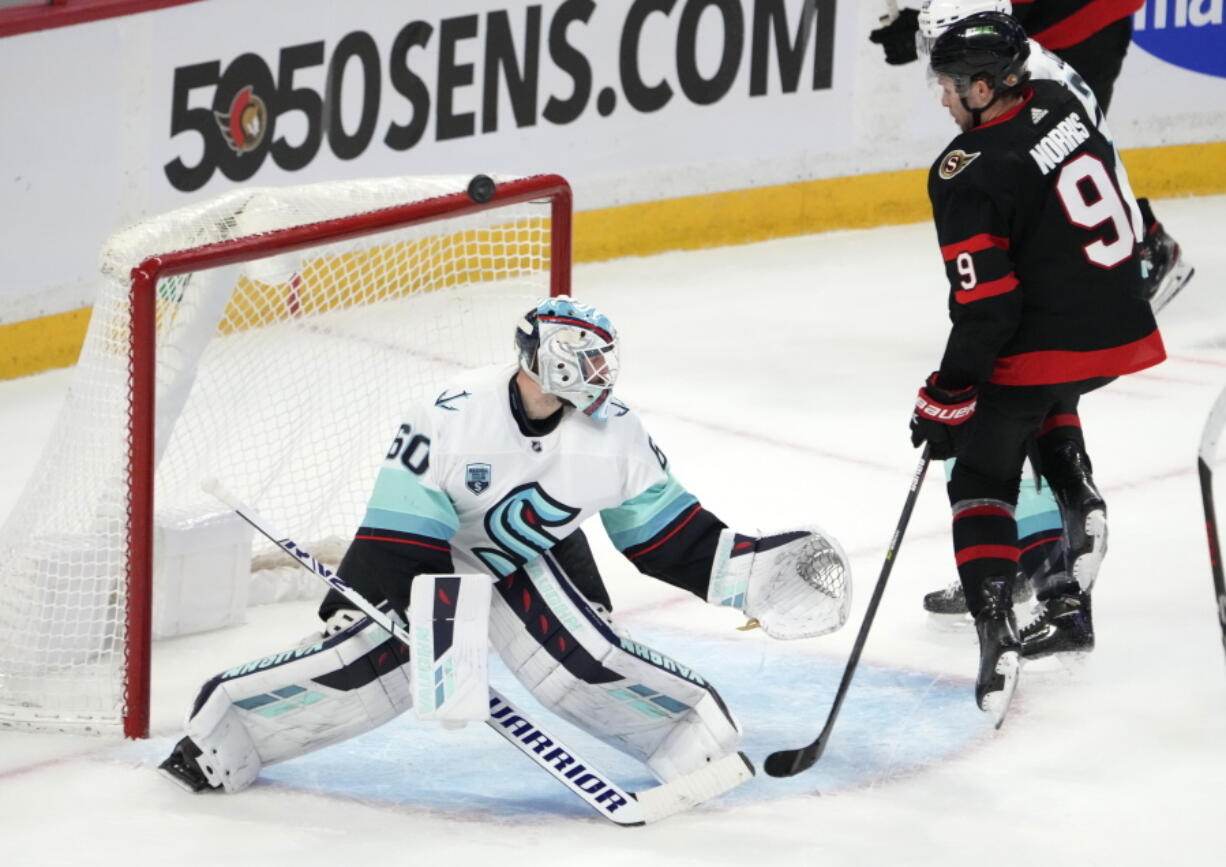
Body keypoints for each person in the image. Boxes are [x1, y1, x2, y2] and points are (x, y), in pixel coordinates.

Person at [158, 296, 852, 795]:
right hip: (428, 556)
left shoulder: (616, 434)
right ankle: (225, 730)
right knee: (375, 669)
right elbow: (401, 530)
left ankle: (688, 734)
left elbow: (662, 533)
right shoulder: (453, 414)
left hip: (528, 557)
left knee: (585, 660)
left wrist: (747, 571)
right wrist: (434, 633)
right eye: (588, 356)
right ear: (546, 359)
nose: (603, 371)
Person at [876, 0, 1192, 644]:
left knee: (991, 414)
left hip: (1061, 299)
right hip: (1109, 291)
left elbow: (989, 306)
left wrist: (950, 387)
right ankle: (1075, 507)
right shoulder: (1045, 84)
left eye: (945, 73)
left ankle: (1034, 577)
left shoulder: (981, 152)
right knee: (1035, 395)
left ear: (984, 80)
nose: (938, 93)